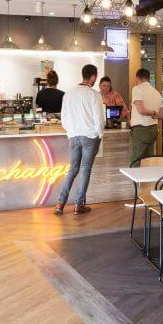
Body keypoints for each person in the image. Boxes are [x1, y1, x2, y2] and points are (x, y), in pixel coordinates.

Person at [54, 64, 105, 215]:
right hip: (89, 136)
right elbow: (99, 119)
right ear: (93, 77)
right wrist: (99, 134)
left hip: (74, 136)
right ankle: (78, 205)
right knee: (85, 170)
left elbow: (63, 118)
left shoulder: (68, 93)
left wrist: (71, 132)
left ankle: (60, 203)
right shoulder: (94, 94)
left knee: (73, 169)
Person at [129, 68, 163, 165]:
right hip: (153, 129)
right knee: (148, 161)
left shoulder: (137, 89)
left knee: (135, 161)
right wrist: (155, 114)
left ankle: (135, 176)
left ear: (137, 78)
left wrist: (153, 112)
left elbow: (141, 110)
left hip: (141, 129)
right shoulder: (157, 93)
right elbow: (161, 116)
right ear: (148, 78)